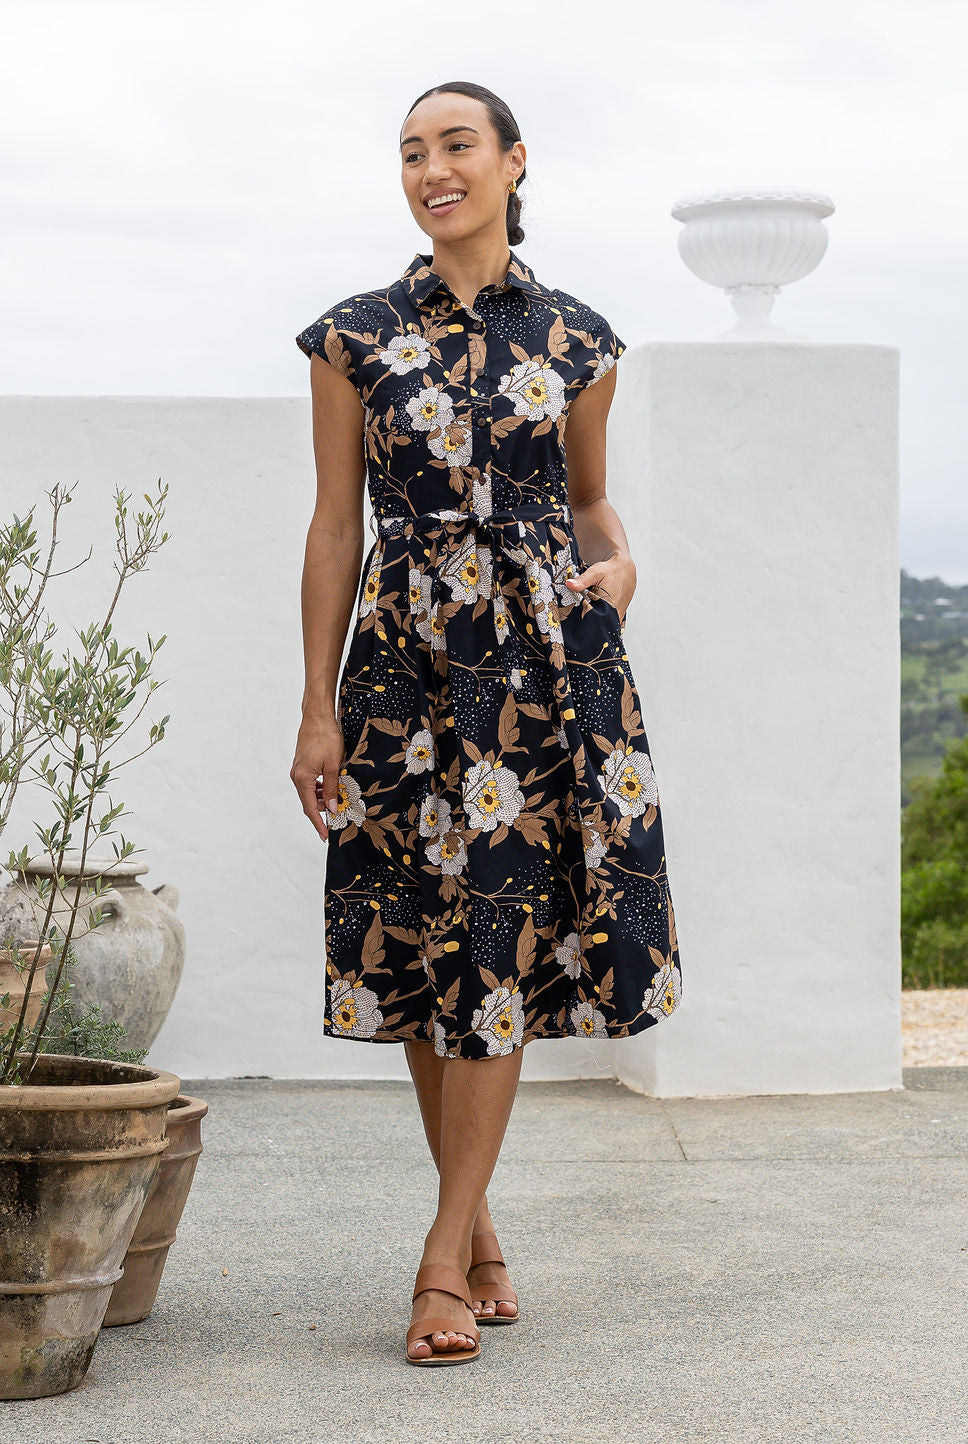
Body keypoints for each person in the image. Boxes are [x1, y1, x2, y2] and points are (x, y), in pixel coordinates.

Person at [291, 81, 683, 1367]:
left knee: (501, 947)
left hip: (541, 674)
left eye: (455, 146)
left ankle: (439, 1259)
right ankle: (482, 1231)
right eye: (410, 153)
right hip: (401, 669)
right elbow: (335, 524)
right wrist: (316, 705)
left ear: (514, 162)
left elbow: (589, 507)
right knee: (421, 952)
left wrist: (620, 568)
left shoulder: (579, 339)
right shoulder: (352, 338)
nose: (430, 169)